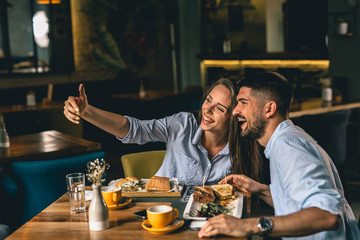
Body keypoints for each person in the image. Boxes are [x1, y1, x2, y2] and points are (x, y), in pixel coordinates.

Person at [199, 72, 360, 239]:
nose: (235, 111)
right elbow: (298, 205)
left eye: (243, 103)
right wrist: (261, 190)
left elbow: (327, 216)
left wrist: (249, 225)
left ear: (269, 109)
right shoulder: (289, 137)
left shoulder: (288, 147)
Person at [64, 78, 260, 185]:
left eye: (220, 108)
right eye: (208, 99)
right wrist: (87, 112)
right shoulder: (182, 125)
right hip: (163, 215)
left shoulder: (243, 147)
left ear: (233, 117)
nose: (207, 110)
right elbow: (134, 129)